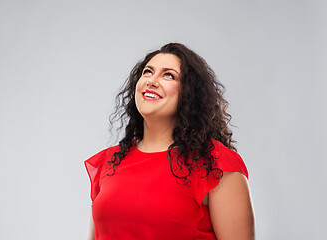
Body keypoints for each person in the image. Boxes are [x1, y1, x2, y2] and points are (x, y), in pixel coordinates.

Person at [84, 43, 255, 240]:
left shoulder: (216, 163)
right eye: (148, 72)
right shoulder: (109, 162)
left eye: (168, 75)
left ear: (189, 94)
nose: (152, 81)